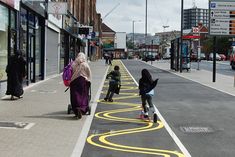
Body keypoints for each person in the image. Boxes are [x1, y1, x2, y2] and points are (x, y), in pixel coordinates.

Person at [70, 52, 91, 119]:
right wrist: (89, 80)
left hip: (74, 81)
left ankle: (76, 110)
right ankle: (82, 109)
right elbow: (89, 73)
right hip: (83, 81)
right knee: (83, 95)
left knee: (75, 95)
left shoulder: (73, 64)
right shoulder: (85, 64)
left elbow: (71, 72)